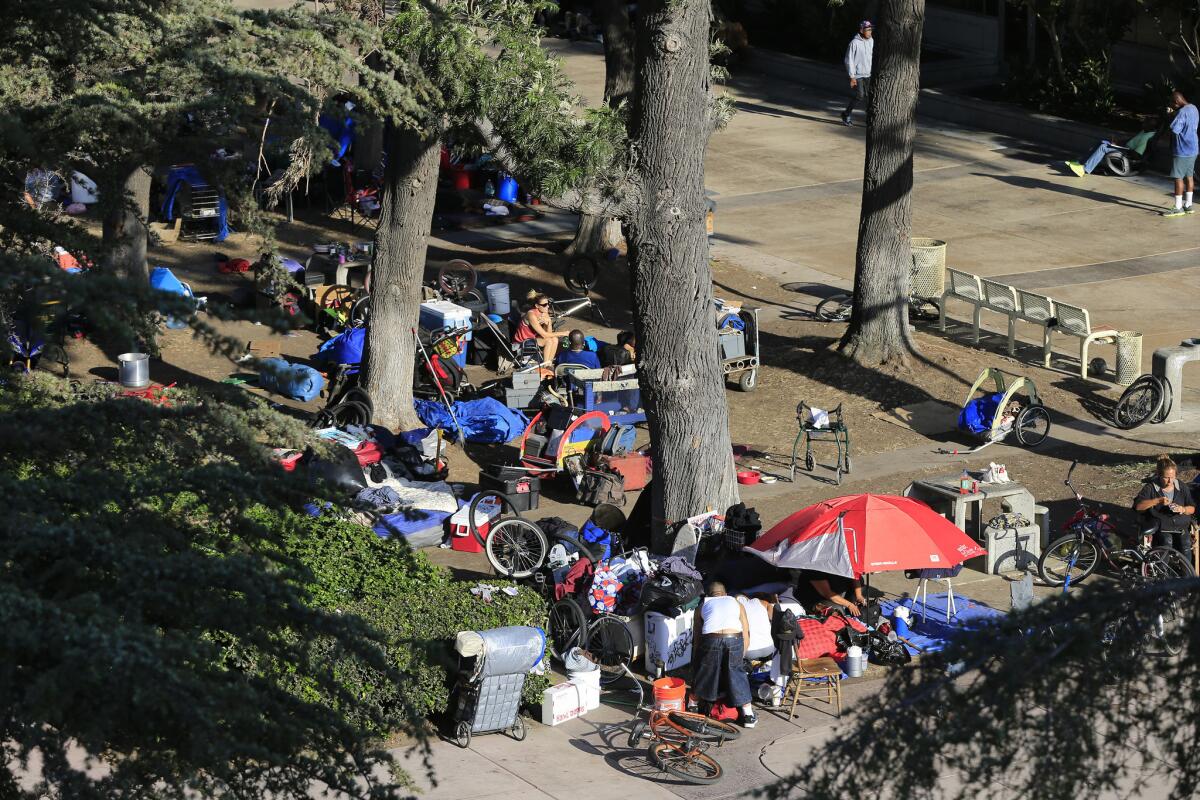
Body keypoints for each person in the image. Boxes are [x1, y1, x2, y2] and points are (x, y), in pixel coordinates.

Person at [691, 582, 757, 728]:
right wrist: (741, 654)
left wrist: (698, 658)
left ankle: (692, 706)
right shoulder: (736, 602)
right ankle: (748, 716)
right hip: (734, 637)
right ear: (725, 593)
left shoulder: (702, 606)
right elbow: (745, 630)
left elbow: (697, 636)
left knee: (706, 672)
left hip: (711, 638)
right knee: (737, 673)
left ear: (708, 595)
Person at [1133, 454, 1195, 561]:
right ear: (1159, 475)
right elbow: (1138, 506)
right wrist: (1157, 500)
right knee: (1166, 543)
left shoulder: (1181, 486)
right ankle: (1163, 573)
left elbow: (1192, 508)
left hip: (1181, 525)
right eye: (1166, 478)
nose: (1170, 481)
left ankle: (1187, 575)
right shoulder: (1151, 488)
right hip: (1162, 526)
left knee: (1185, 543)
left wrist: (1183, 509)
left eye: (1173, 477)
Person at [1065, 119, 1157, 177]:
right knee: (1102, 142)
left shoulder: (1147, 137)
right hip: (1124, 148)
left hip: (1128, 153)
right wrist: (1117, 143)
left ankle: (1084, 169)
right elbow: (1131, 140)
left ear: (1150, 126)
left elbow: (1137, 154)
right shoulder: (1145, 131)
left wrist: (1121, 148)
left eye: (1145, 123)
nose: (1142, 124)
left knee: (1103, 147)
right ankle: (1080, 162)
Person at [1162, 90, 1198, 218]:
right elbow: (1185, 120)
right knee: (1189, 177)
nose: (1172, 106)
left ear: (1176, 102)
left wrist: (1169, 118)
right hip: (1193, 149)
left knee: (1178, 178)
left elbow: (1175, 130)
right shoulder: (1193, 108)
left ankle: (1178, 207)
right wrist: (1174, 114)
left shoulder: (1181, 112)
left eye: (1172, 104)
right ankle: (1188, 205)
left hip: (1181, 150)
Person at [840, 21, 874, 127]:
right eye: (867, 30)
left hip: (867, 73)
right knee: (860, 95)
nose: (870, 32)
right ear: (861, 30)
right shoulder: (854, 43)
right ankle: (846, 114)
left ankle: (869, 118)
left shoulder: (871, 40)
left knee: (869, 96)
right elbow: (848, 60)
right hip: (857, 74)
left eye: (870, 29)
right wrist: (852, 76)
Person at [794, 569, 866, 616]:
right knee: (837, 612)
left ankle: (852, 610)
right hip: (815, 597)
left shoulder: (844, 557)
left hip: (835, 590)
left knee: (860, 582)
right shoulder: (815, 568)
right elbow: (827, 593)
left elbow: (855, 576)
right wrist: (849, 605)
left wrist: (859, 596)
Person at [512, 292, 558, 367]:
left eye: (548, 303)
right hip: (521, 343)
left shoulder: (544, 312)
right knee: (548, 341)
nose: (548, 306)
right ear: (537, 306)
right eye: (544, 305)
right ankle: (545, 366)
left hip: (532, 339)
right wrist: (564, 333)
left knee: (555, 339)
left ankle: (549, 363)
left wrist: (549, 322)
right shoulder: (531, 315)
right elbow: (544, 335)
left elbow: (548, 333)